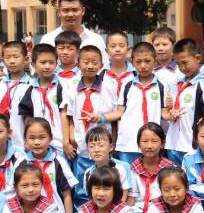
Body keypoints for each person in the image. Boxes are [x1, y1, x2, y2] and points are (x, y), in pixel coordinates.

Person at [101, 42, 170, 165]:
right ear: (132, 62)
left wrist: (173, 115)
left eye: (147, 61)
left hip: (151, 142)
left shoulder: (162, 86)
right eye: (138, 62)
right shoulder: (127, 85)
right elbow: (119, 112)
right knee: (128, 173)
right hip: (128, 142)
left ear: (155, 61)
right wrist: (100, 117)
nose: (143, 66)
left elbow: (164, 114)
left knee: (150, 172)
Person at [63, 45, 115, 181]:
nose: (90, 66)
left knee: (104, 181)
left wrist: (114, 141)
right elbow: (69, 115)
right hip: (80, 147)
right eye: (86, 62)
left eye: (94, 62)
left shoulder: (109, 87)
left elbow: (115, 118)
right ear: (78, 64)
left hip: (103, 147)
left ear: (101, 65)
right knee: (81, 184)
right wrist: (70, 138)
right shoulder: (72, 88)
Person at [23, 118, 77, 213]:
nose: (37, 142)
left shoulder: (59, 162)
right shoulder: (22, 163)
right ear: (25, 139)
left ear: (50, 138)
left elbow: (67, 194)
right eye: (32, 138)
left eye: (42, 137)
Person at [0, 41, 31, 150]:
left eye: (16, 57)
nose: (12, 61)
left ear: (26, 59)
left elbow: (30, 116)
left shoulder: (31, 85)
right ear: (3, 60)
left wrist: (29, 139)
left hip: (20, 141)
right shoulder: (0, 82)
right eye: (8, 57)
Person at [163, 38, 204, 166]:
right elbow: (166, 111)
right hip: (173, 142)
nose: (182, 68)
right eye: (178, 64)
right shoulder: (175, 83)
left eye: (185, 63)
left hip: (192, 143)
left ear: (198, 58)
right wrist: (169, 113)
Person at [39, 0, 108, 65]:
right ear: (59, 12)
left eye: (75, 10)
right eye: (65, 10)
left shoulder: (96, 40)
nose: (70, 15)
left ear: (83, 11)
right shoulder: (48, 40)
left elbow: (105, 67)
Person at [18, 44, 66, 153]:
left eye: (51, 62)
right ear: (33, 64)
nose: (47, 66)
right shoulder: (30, 89)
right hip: (38, 143)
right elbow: (27, 116)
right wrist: (27, 140)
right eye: (43, 62)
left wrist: (66, 141)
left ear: (57, 64)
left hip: (59, 143)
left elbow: (67, 115)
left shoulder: (62, 86)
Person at [82, 126, 138, 213]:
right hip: (98, 212)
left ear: (111, 147)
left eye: (101, 145)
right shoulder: (88, 173)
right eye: (91, 146)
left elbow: (126, 196)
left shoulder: (123, 167)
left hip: (121, 211)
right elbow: (91, 198)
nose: (96, 150)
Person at [128, 123, 174, 213]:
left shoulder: (170, 169)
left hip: (162, 212)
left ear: (163, 144)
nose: (149, 146)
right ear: (138, 144)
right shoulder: (133, 168)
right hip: (138, 211)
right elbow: (132, 198)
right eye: (145, 141)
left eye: (154, 141)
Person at [102, 31, 135, 100]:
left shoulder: (136, 74)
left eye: (122, 46)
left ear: (128, 49)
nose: (117, 49)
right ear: (107, 51)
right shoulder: (100, 74)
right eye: (113, 46)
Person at [53, 31, 82, 96]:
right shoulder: (51, 74)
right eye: (61, 48)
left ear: (78, 50)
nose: (65, 52)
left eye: (70, 49)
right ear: (55, 50)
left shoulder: (83, 74)